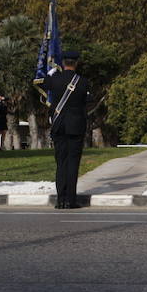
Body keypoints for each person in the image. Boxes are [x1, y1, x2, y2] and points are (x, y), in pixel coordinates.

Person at [43, 50, 90, 209]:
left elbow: (41, 83)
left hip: (58, 126)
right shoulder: (82, 81)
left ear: (63, 63)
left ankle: (60, 200)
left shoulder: (54, 79)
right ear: (75, 63)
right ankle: (71, 200)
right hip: (76, 127)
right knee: (72, 163)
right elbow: (86, 102)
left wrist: (49, 74)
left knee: (61, 163)